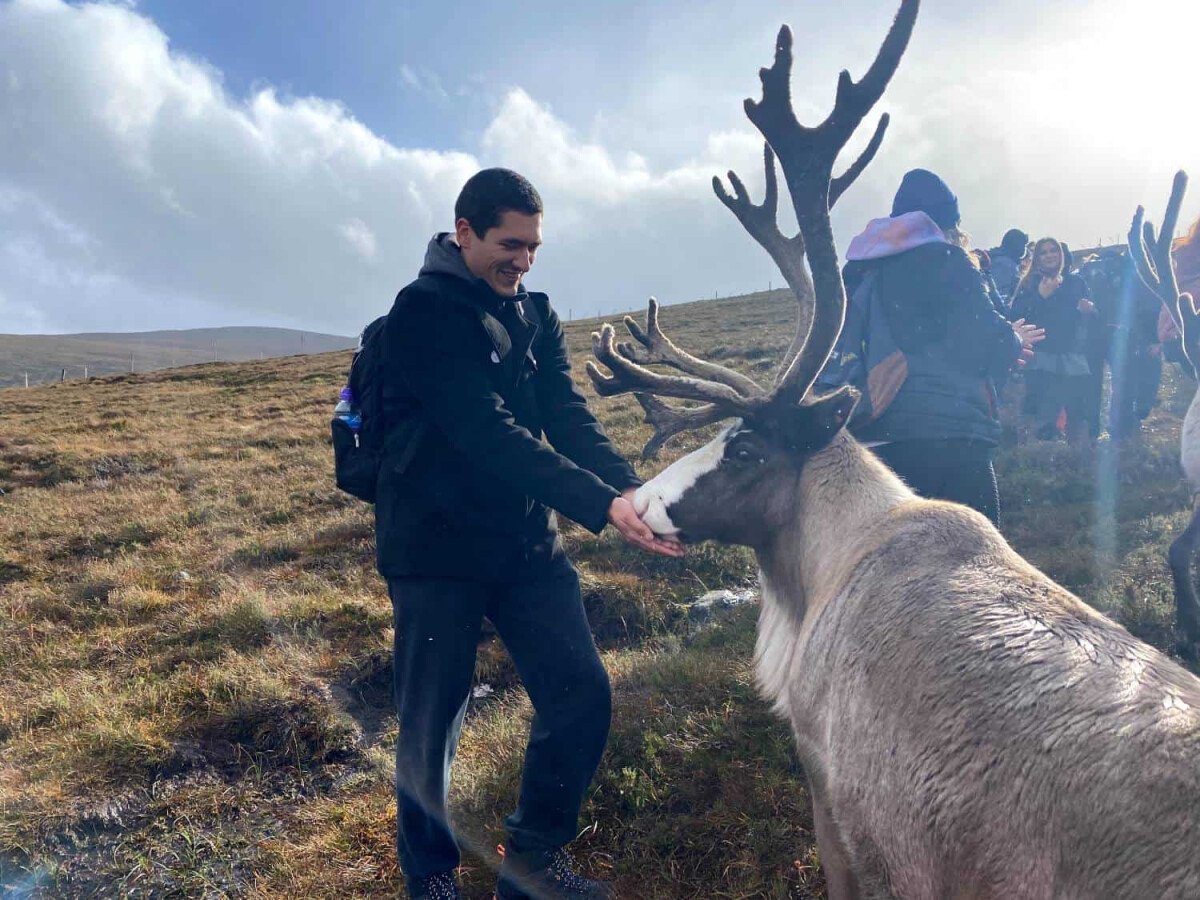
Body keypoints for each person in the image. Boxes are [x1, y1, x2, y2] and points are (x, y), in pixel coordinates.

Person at [375, 168, 682, 900]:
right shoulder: (420, 312)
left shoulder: (535, 312)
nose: (524, 261)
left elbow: (566, 416)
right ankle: (430, 874)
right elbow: (488, 431)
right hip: (433, 552)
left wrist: (629, 487)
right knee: (432, 720)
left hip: (523, 545)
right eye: (510, 245)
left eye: (535, 247)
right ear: (465, 233)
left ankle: (532, 863)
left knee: (581, 693)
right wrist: (601, 505)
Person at [826, 168, 1038, 524]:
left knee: (894, 562)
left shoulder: (858, 269)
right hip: (950, 437)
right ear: (947, 221)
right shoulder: (947, 261)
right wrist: (1014, 340)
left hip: (874, 436)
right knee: (972, 564)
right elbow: (984, 343)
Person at [1009, 237, 1097, 443]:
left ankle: (1077, 460)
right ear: (1036, 258)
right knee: (1042, 413)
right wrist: (1040, 296)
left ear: (1061, 255)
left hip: (1072, 356)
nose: (1049, 255)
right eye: (1044, 252)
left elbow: (1093, 318)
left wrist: (1090, 311)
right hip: (1041, 357)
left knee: (1078, 413)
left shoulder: (1076, 282)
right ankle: (1038, 459)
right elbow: (1015, 317)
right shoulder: (1029, 283)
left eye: (1053, 251)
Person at [988, 227, 1030, 304]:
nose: (1024, 249)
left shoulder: (999, 258)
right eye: (1023, 245)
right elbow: (1000, 293)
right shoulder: (1006, 264)